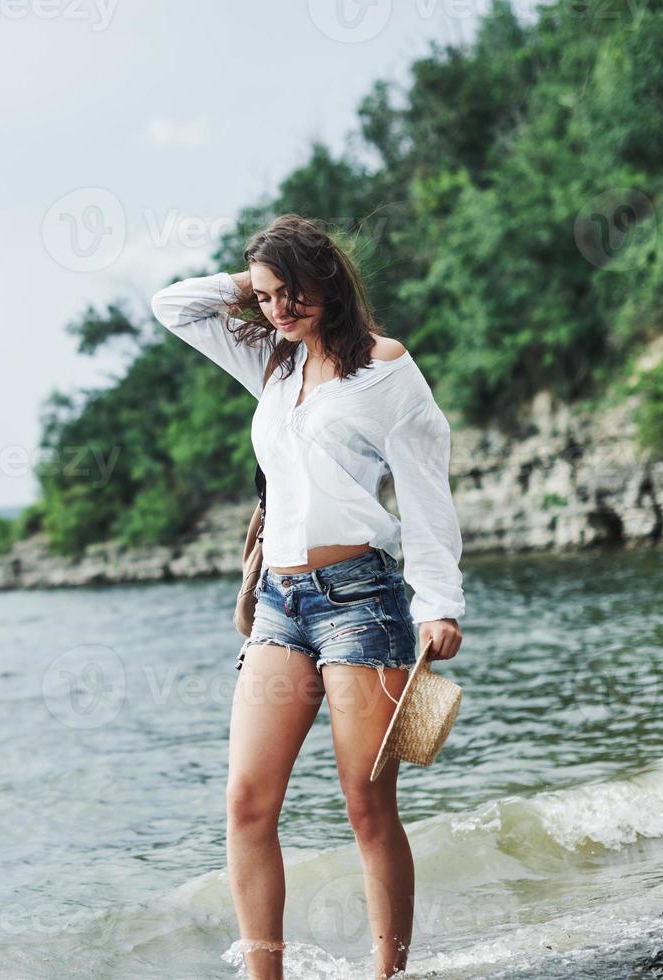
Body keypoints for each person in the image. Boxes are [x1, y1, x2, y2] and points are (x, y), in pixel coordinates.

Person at [149, 214, 466, 978]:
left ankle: (390, 973)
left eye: (292, 292)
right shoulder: (270, 362)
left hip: (364, 602)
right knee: (248, 805)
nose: (279, 310)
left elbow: (427, 492)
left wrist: (439, 603)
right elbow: (171, 306)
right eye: (265, 298)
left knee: (367, 806)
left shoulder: (385, 369)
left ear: (327, 281)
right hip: (281, 607)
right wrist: (250, 275)